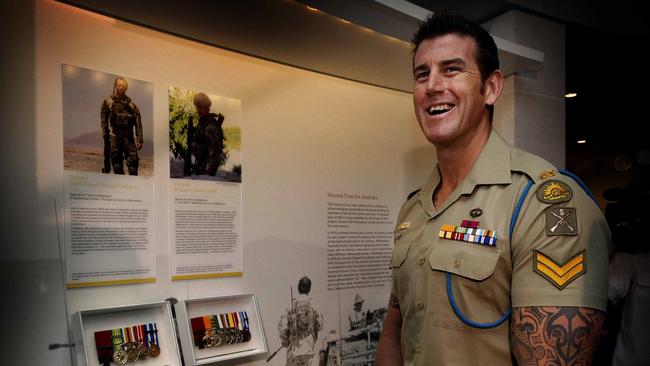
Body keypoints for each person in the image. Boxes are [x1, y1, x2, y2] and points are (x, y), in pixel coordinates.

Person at [375, 13, 609, 365]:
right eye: (422, 74)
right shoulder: (414, 209)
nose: (432, 85)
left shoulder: (539, 202)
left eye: (451, 69)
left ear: (491, 87)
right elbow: (396, 325)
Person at [100, 77, 143, 175]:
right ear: (115, 86)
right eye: (119, 85)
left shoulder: (132, 105)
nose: (121, 87)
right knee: (117, 165)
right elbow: (104, 121)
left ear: (126, 88)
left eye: (123, 86)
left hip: (129, 138)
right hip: (115, 137)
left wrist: (139, 139)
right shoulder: (108, 102)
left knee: (133, 167)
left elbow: (138, 122)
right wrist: (105, 136)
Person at [278, 276, 324, 366]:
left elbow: (283, 327)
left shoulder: (290, 304)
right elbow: (320, 325)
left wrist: (285, 341)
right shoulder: (314, 304)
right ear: (309, 289)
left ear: (298, 288)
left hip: (293, 351)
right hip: (308, 350)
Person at [191, 92, 226, 176]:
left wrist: (207, 174)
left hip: (205, 172)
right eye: (197, 107)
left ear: (208, 108)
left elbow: (215, 155)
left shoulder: (211, 127)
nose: (198, 111)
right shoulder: (202, 123)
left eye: (201, 108)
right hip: (199, 168)